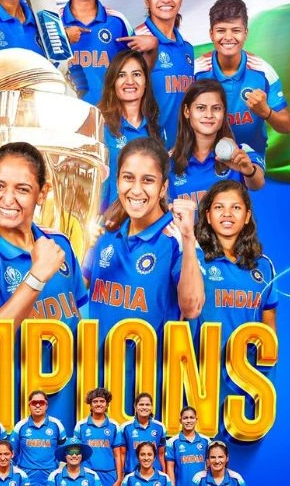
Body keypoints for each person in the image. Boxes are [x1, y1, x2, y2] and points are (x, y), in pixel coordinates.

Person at [0, 142, 88, 426]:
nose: (8, 199)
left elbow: (83, 318)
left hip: (72, 402)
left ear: (43, 193)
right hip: (16, 411)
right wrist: (37, 276)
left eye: (23, 189)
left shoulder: (58, 243)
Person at [86, 137, 204, 404]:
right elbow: (80, 294)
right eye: (128, 178)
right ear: (117, 182)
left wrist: (188, 239)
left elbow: (192, 307)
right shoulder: (105, 234)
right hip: (97, 389)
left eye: (148, 180)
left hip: (148, 395)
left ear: (163, 188)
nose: (136, 190)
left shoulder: (174, 238)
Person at [194, 180, 279, 391]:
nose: (227, 214)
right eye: (219, 207)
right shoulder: (193, 259)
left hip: (246, 381)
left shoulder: (264, 266)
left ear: (247, 216)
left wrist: (263, 381)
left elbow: (270, 330)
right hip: (200, 380)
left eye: (236, 208)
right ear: (208, 216)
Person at [195, 0, 290, 159]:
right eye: (221, 30)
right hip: (206, 158)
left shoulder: (263, 71)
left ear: (246, 33)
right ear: (211, 34)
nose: (228, 37)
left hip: (251, 158)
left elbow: (286, 125)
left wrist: (266, 112)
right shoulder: (196, 71)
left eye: (236, 30)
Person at [125, 0, 193, 150]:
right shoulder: (135, 40)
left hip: (179, 152)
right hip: (146, 150)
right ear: (147, 1)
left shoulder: (187, 49)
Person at [168, 79, 265, 205]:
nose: (209, 115)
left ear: (224, 111)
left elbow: (257, 184)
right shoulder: (169, 161)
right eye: (201, 108)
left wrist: (248, 171)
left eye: (216, 108)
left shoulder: (240, 151)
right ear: (187, 111)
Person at [57, 0, 132, 104]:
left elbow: (134, 69)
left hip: (108, 117)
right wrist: (61, 39)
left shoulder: (118, 22)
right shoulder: (52, 20)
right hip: (63, 116)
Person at [96, 50, 165, 210]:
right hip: (108, 224)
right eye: (121, 75)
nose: (129, 81)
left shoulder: (156, 130)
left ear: (146, 81)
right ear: (112, 81)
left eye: (136, 74)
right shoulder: (98, 125)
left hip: (146, 221)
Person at [9, 390, 68, 486]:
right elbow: (12, 454)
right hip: (27, 476)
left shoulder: (57, 425)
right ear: (29, 405)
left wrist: (58, 472)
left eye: (41, 402)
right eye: (34, 402)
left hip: (50, 475)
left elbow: (64, 453)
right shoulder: (20, 426)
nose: (37, 405)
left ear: (46, 405)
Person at [118, 394, 168, 486]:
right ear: (135, 407)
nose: (144, 407)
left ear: (152, 407)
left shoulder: (160, 427)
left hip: (155, 476)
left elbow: (161, 454)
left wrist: (164, 475)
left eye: (147, 404)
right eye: (141, 404)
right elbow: (122, 454)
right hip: (132, 474)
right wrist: (120, 477)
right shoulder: (126, 427)